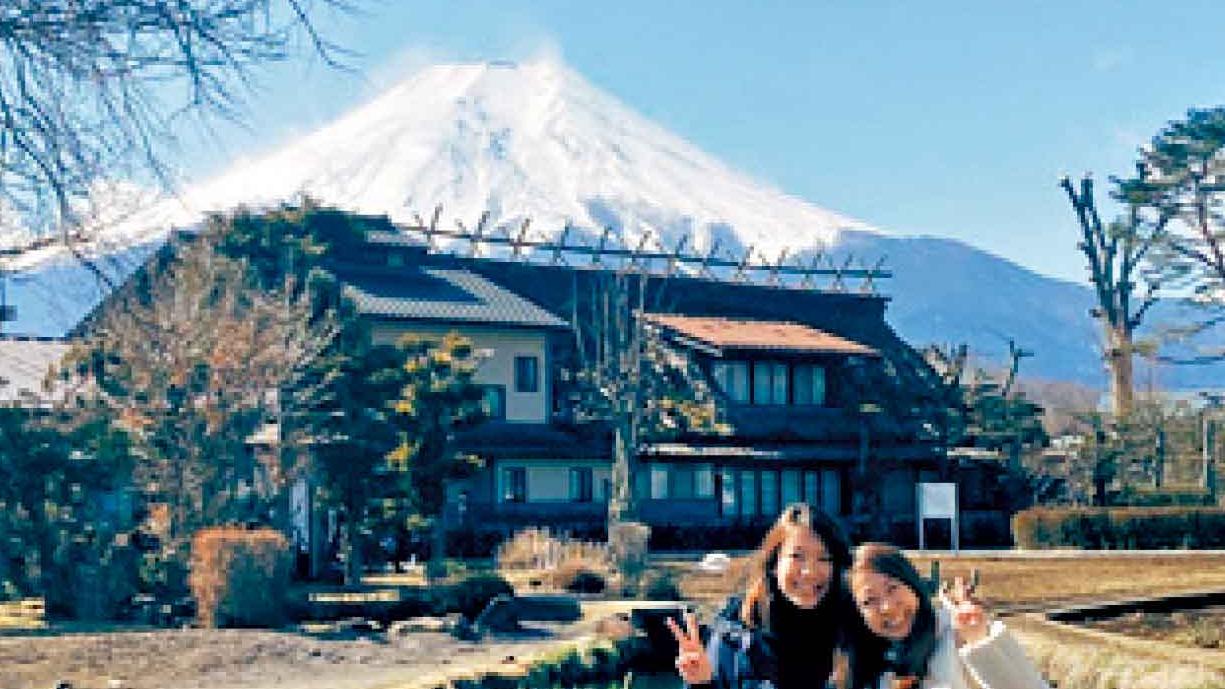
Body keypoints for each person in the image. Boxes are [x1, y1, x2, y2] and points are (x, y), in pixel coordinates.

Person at [668, 503, 856, 689]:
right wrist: (701, 683)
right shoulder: (734, 633)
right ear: (774, 563)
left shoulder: (855, 633)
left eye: (824, 559)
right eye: (797, 556)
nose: (809, 572)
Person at [846, 542, 1050, 689]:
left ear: (913, 585)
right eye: (868, 601)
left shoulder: (957, 635)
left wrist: (978, 641)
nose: (887, 607)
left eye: (892, 588)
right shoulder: (869, 666)